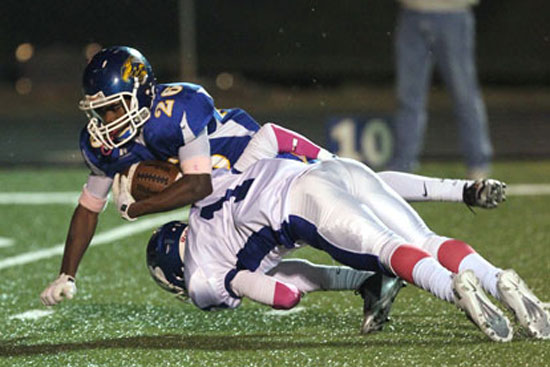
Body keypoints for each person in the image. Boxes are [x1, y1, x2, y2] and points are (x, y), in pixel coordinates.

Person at [39, 46, 504, 326]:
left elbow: (197, 184)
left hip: (256, 162)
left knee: (356, 187)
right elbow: (88, 206)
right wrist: (67, 273)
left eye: (112, 109)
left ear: (140, 96)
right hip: (227, 191)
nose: (104, 122)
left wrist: (138, 208)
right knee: (299, 233)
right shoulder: (107, 144)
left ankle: (454, 200)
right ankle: (376, 277)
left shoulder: (178, 109)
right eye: (99, 112)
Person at [145, 157, 549, 342]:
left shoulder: (203, 278)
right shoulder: (208, 187)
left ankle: (452, 288)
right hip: (334, 168)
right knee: (426, 239)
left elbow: (285, 294)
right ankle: (498, 279)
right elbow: (269, 135)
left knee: (388, 249)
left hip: (302, 205)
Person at [389, 0, 493, 179]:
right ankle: (402, 165)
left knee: (464, 93)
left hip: (454, 12)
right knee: (408, 96)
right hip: (412, 12)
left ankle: (478, 162)